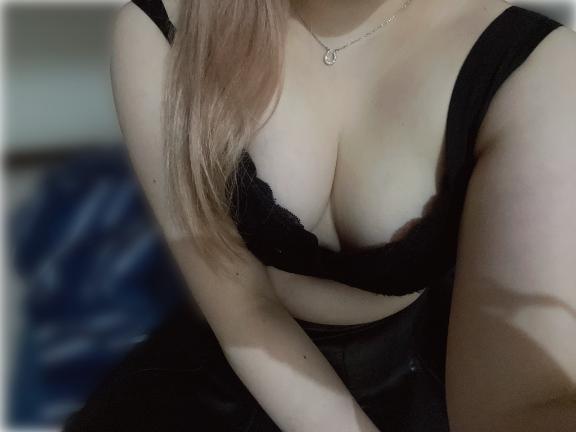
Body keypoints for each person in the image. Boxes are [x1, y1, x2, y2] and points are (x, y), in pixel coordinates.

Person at [65, 0, 576, 431]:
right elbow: (240, 307)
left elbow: (523, 398)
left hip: (414, 371)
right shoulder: (164, 29)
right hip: (227, 366)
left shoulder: (533, 69)